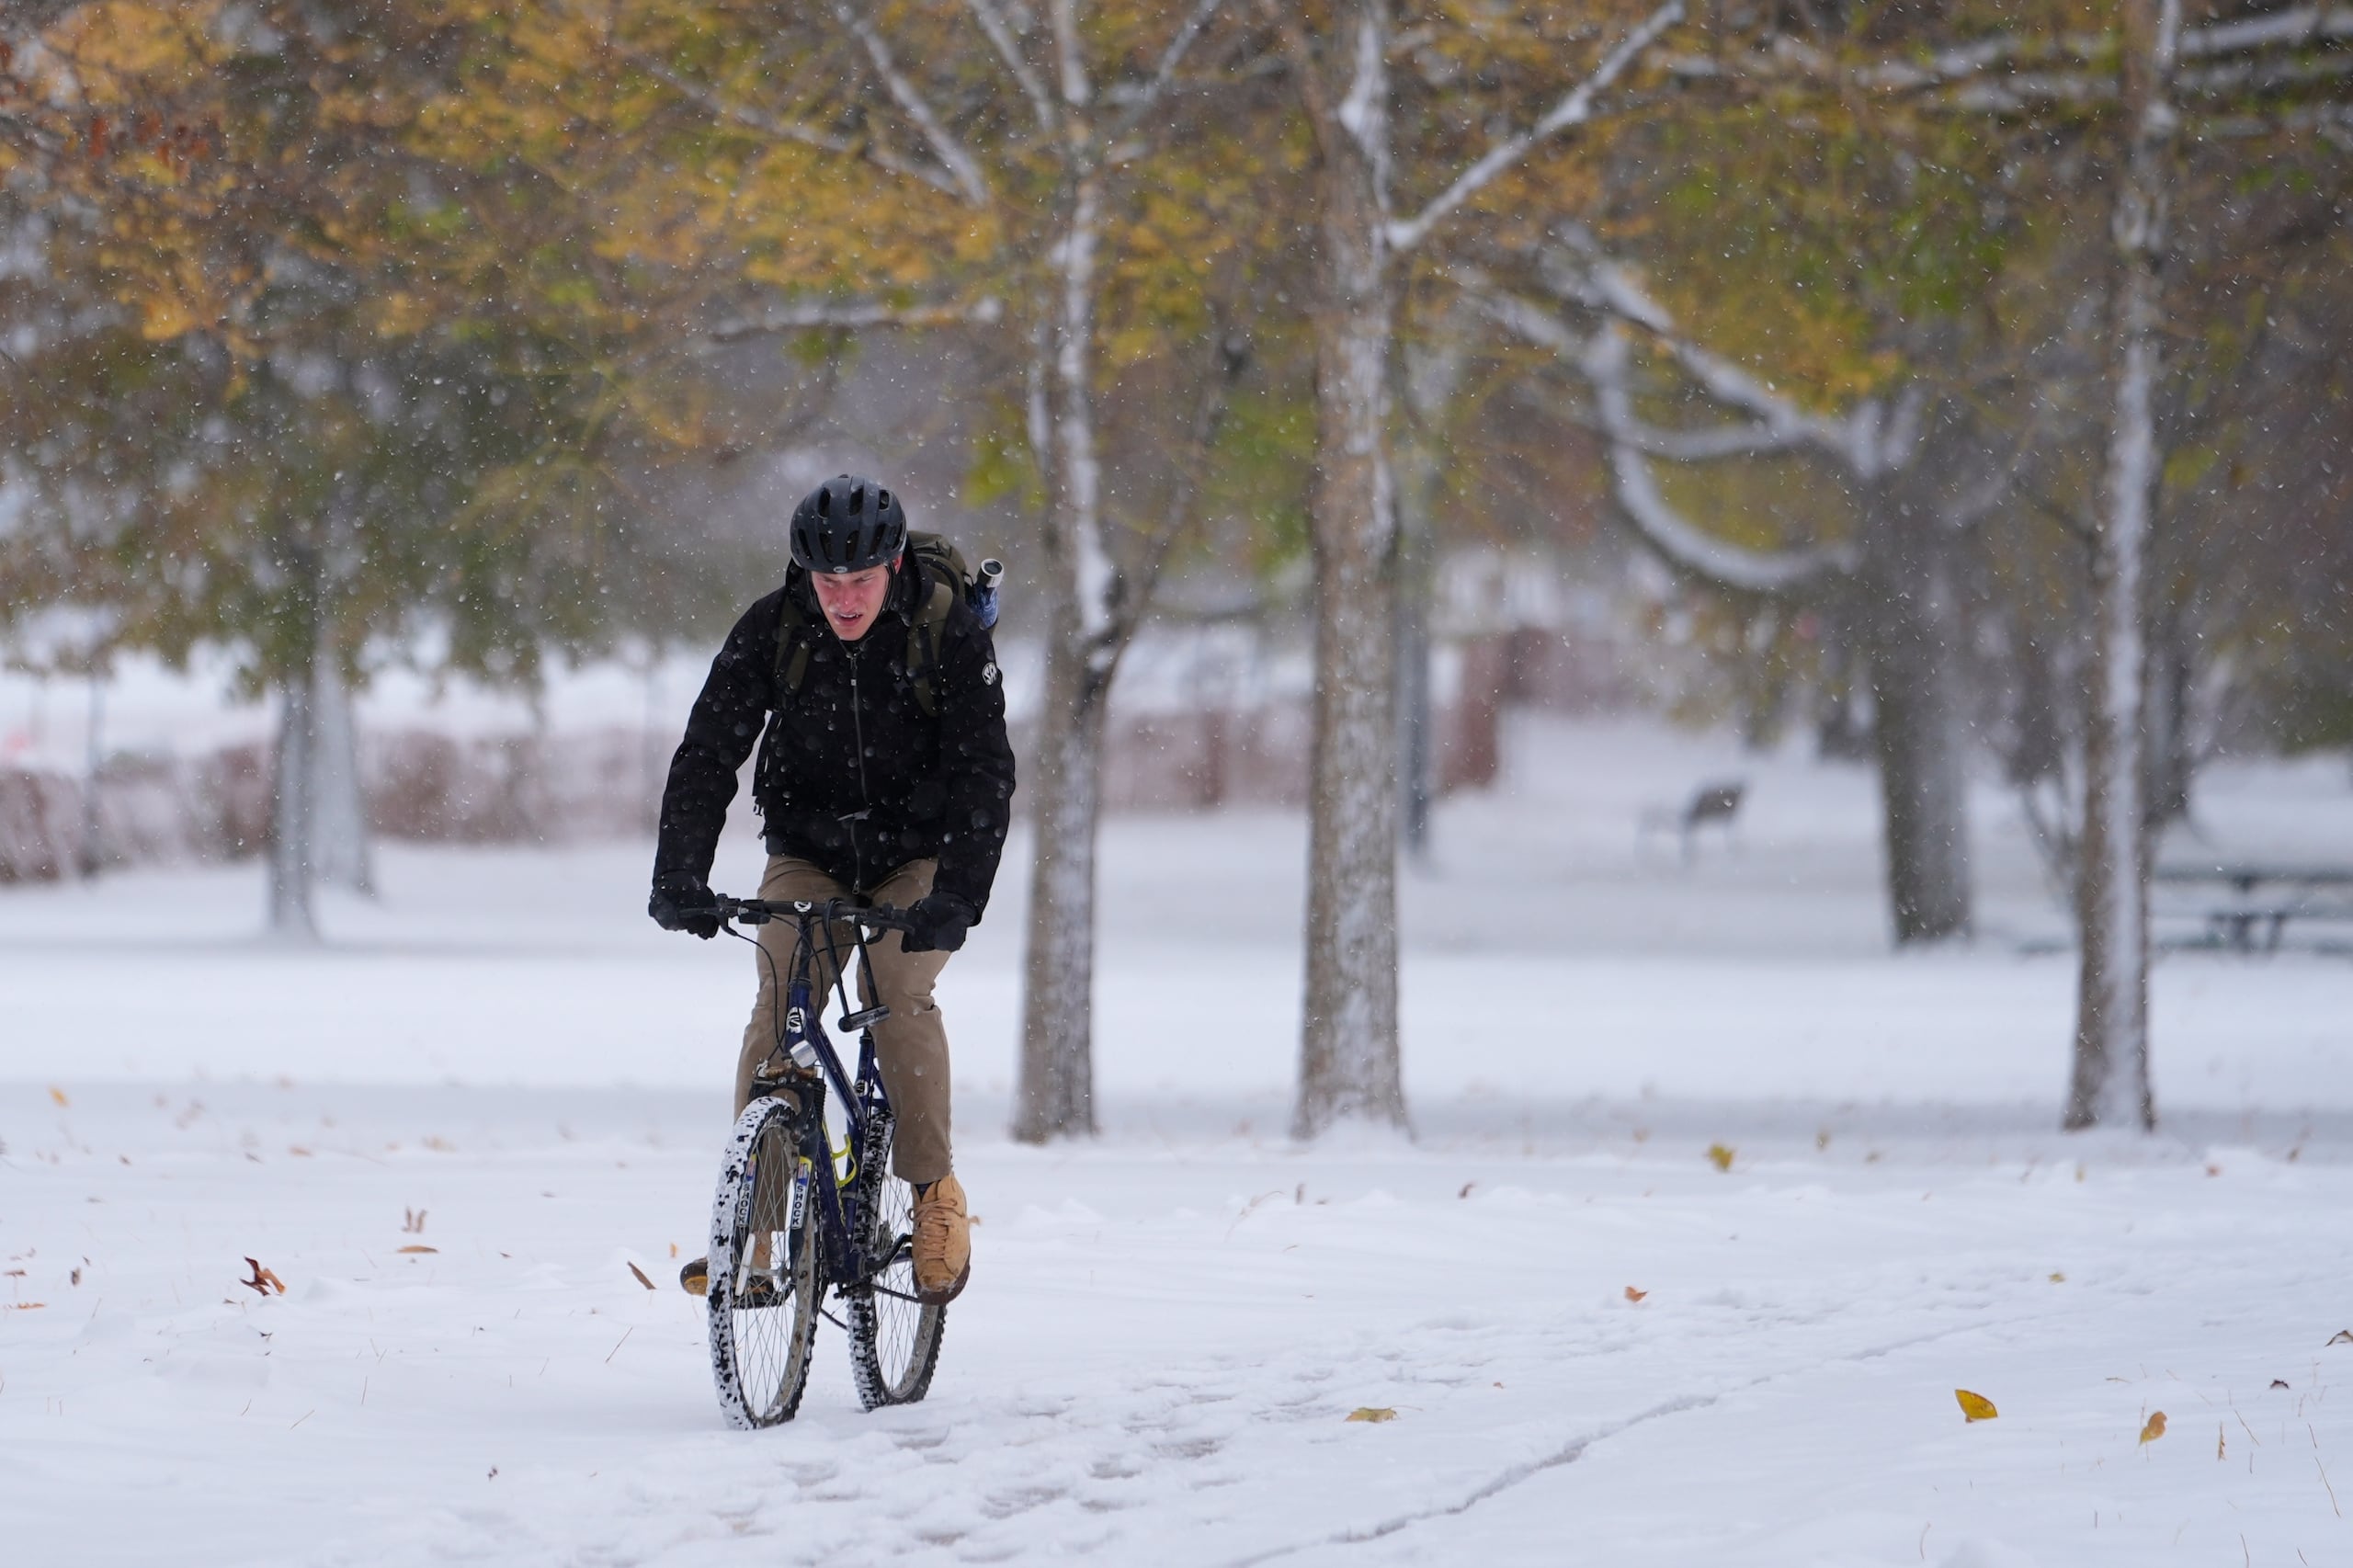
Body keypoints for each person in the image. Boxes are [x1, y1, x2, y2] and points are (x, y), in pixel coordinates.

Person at [647, 474, 1016, 1305]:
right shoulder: (774, 628)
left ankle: (933, 1196)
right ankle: (757, 1234)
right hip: (809, 850)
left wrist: (957, 894)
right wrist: (679, 872)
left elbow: (984, 772)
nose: (844, 600)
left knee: (896, 988)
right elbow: (709, 749)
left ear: (892, 565)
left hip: (914, 855)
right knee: (780, 998)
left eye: (860, 581)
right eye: (828, 582)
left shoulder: (944, 631)